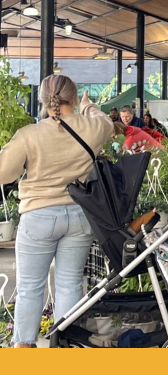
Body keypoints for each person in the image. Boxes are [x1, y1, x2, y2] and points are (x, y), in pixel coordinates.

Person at [0, 75, 113, 348]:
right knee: (70, 283)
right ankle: (64, 348)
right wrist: (88, 106)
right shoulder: (92, 127)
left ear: (42, 100)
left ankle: (24, 348)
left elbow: (5, 173)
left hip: (38, 217)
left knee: (30, 287)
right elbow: (108, 123)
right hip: (79, 216)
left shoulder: (29, 134)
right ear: (73, 99)